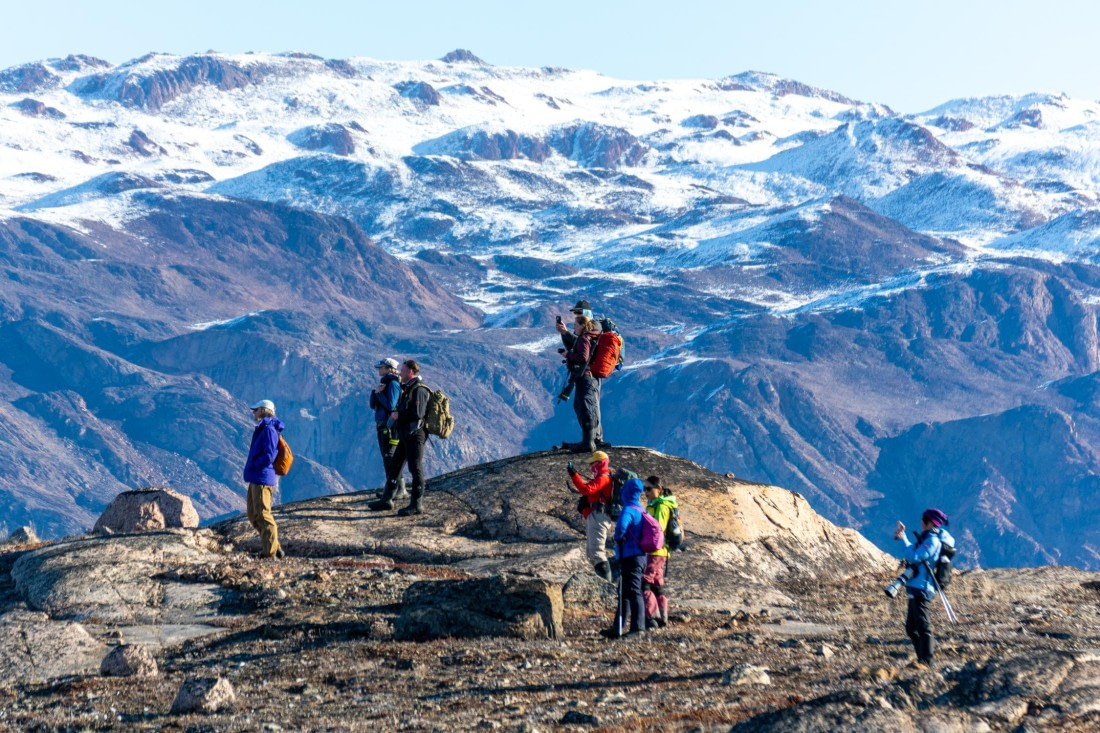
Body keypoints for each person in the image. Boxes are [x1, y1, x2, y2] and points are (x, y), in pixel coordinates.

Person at [891, 508, 955, 666]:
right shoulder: (926, 539)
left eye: (923, 520)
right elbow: (913, 551)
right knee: (911, 628)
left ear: (929, 523)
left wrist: (904, 542)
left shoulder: (932, 541)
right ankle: (922, 659)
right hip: (915, 587)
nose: (921, 523)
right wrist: (903, 538)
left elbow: (914, 556)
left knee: (923, 626)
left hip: (923, 588)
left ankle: (927, 660)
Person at [370, 359, 430, 516]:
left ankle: (416, 504)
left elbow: (418, 414)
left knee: (415, 467)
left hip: (415, 435)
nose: (399, 373)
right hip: (405, 434)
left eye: (402, 371)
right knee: (395, 465)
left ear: (410, 371)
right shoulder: (407, 388)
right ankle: (386, 499)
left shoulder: (419, 390)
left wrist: (398, 415)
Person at [602, 477, 648, 638]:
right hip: (640, 556)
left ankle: (638, 628)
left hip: (630, 555)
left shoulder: (628, 509)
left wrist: (617, 538)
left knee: (633, 591)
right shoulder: (641, 509)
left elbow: (621, 527)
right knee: (626, 591)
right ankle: (618, 627)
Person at [243, 399, 285, 559]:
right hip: (256, 476)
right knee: (253, 514)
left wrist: (256, 464)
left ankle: (269, 553)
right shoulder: (264, 428)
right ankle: (275, 546)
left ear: (263, 410)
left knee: (263, 514)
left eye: (256, 410)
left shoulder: (268, 429)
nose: (253, 412)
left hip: (262, 477)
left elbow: (269, 454)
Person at [558, 313, 603, 453]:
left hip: (585, 377)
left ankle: (588, 443)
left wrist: (568, 355)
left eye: (576, 325)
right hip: (587, 378)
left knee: (584, 408)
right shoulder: (588, 337)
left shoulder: (584, 338)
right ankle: (588, 440)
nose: (574, 328)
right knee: (581, 406)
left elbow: (583, 357)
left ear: (583, 326)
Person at [568, 450, 614, 582]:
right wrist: (585, 510)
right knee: (592, 553)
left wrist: (574, 475)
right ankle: (603, 582)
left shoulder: (603, 477)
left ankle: (606, 585)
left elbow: (586, 489)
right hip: (598, 516)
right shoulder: (604, 477)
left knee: (597, 552)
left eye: (592, 463)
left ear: (600, 463)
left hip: (599, 517)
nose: (590, 466)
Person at [367, 357, 407, 506]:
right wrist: (376, 392)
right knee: (387, 457)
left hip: (390, 426)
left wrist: (379, 394)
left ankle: (397, 489)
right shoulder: (385, 383)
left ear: (389, 368)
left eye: (381, 367)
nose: (379, 370)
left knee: (390, 456)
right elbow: (373, 405)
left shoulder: (393, 384)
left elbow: (391, 405)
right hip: (382, 424)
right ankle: (393, 489)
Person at [642, 476, 676, 629]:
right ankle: (663, 616)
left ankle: (651, 617)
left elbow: (658, 530)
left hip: (655, 551)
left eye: (649, 488)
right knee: (657, 584)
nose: (646, 492)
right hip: (661, 552)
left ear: (659, 489)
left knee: (645, 582)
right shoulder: (657, 505)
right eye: (644, 489)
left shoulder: (661, 507)